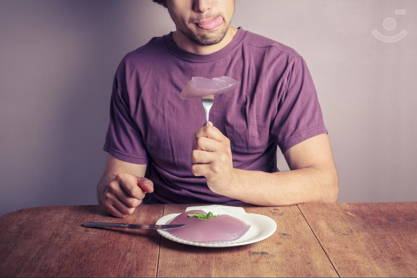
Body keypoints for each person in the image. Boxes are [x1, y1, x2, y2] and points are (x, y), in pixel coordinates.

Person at [97, 0, 339, 218]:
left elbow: (324, 185)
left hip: (256, 223)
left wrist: (231, 180)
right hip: (165, 227)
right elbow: (116, 179)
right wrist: (117, 192)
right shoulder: (135, 69)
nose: (202, 5)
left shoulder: (281, 65)